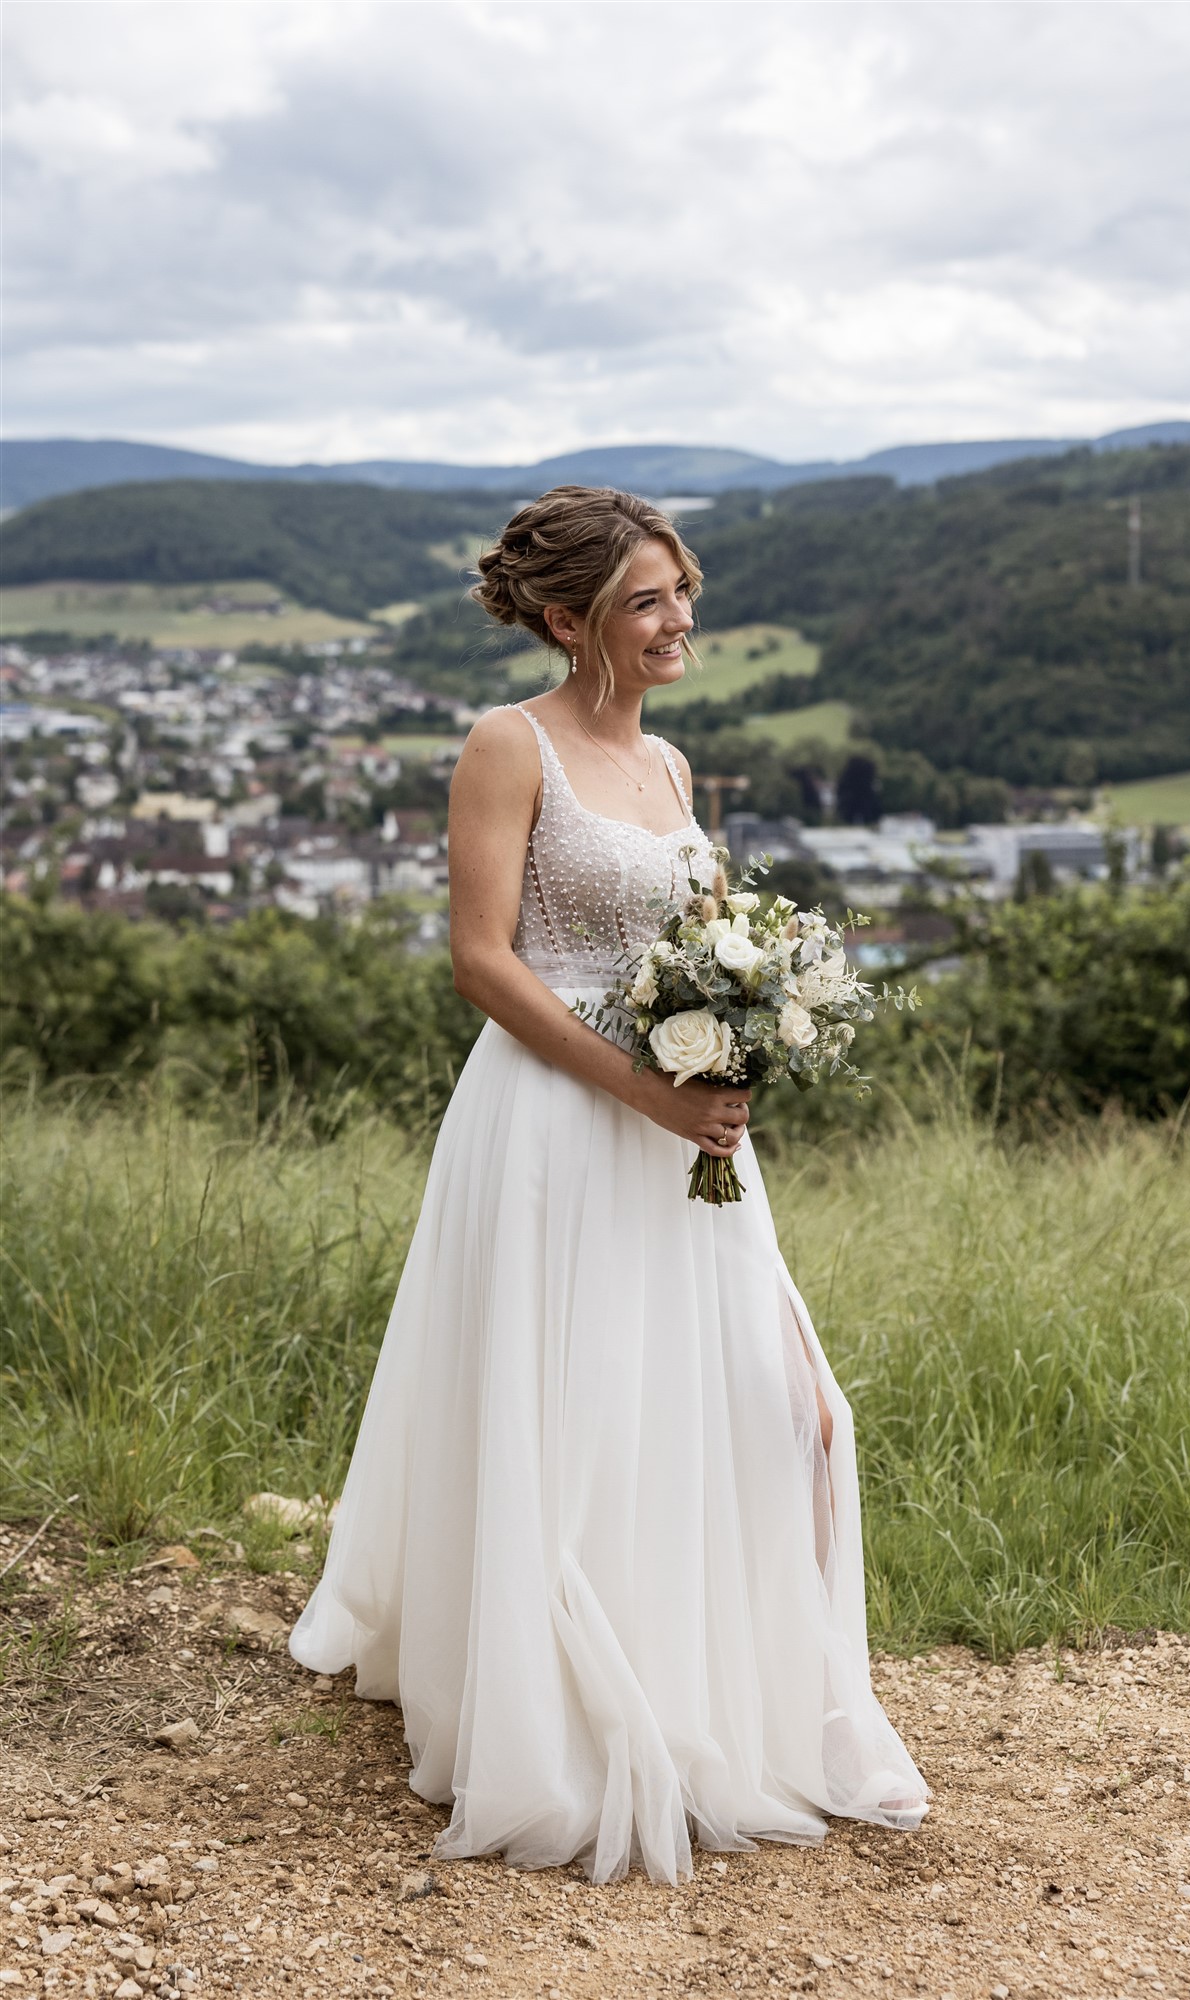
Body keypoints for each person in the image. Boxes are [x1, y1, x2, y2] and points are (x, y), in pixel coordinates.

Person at [289, 485, 928, 1883]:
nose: (679, 619)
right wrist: (641, 1086)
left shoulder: (677, 766)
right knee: (576, 1403)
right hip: (555, 1124)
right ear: (567, 619)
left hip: (692, 1135)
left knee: (773, 1405)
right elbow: (482, 959)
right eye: (645, 600)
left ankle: (715, 1680)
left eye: (681, 591)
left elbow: (700, 941)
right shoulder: (504, 745)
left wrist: (753, 1023)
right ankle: (558, 1703)